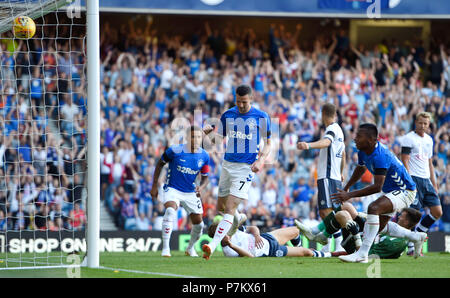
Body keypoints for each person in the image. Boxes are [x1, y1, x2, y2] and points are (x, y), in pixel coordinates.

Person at [330, 123, 426, 263]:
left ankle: (362, 254)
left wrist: (349, 195)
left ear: (370, 140)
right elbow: (361, 169)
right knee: (378, 227)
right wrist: (347, 187)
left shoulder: (380, 156)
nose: (355, 138)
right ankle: (415, 237)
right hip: (393, 191)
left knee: (373, 208)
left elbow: (377, 187)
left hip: (405, 190)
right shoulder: (363, 150)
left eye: (359, 136)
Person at [202, 84, 272, 260]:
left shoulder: (262, 117)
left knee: (230, 207)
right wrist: (208, 135)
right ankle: (239, 217)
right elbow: (219, 140)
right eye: (238, 101)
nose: (241, 105)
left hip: (245, 167)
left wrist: (261, 160)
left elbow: (269, 143)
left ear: (251, 99)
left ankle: (212, 244)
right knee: (221, 209)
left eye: (244, 102)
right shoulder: (228, 115)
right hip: (227, 164)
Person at [150, 125, 210, 257]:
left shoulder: (204, 156)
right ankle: (166, 248)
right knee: (170, 210)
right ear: (187, 138)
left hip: (190, 191)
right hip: (173, 188)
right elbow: (160, 163)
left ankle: (190, 248)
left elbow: (206, 178)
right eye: (193, 136)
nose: (196, 139)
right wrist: (154, 185)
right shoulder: (175, 150)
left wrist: (202, 187)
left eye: (199, 137)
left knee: (199, 225)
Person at [296, 202, 426, 259]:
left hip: (358, 246)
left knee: (343, 215)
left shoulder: (398, 242)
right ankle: (317, 233)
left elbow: (369, 252)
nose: (398, 216)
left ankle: (321, 235)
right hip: (364, 235)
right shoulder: (396, 231)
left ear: (408, 222)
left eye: (402, 216)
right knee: (346, 206)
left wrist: (356, 235)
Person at [296, 103, 346, 252]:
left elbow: (326, 142)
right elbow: (343, 155)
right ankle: (326, 245)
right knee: (330, 211)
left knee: (326, 211)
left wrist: (308, 145)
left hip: (327, 175)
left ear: (323, 114)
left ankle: (336, 243)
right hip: (335, 176)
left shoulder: (330, 129)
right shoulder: (340, 131)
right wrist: (341, 172)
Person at [400, 112, 442, 255]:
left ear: (428, 125)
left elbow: (429, 163)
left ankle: (419, 233)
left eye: (425, 123)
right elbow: (404, 159)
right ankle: (411, 248)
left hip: (426, 180)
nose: (422, 126)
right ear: (415, 123)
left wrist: (434, 183)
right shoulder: (408, 138)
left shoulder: (429, 140)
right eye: (420, 123)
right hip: (414, 178)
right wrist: (409, 179)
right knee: (414, 214)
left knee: (437, 212)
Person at [207, 221, 329, 258]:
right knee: (307, 253)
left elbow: (253, 227)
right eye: (221, 234)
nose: (225, 233)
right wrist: (231, 244)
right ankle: (331, 254)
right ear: (218, 238)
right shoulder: (229, 252)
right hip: (269, 251)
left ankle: (297, 249)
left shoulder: (235, 230)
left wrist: (257, 235)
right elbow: (250, 257)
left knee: (296, 230)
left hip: (268, 237)